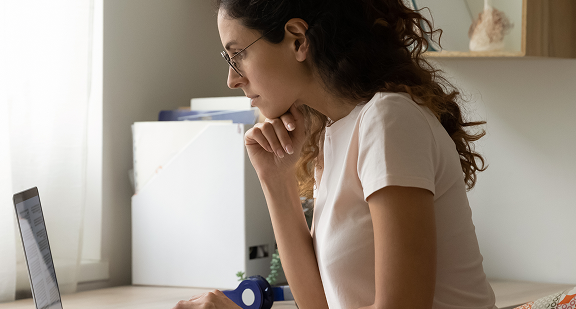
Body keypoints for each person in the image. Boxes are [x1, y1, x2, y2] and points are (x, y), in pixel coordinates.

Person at [175, 0, 495, 308]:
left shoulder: (388, 120)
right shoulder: (330, 134)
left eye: (238, 55)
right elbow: (319, 305)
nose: (232, 79)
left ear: (298, 40)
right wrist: (275, 179)